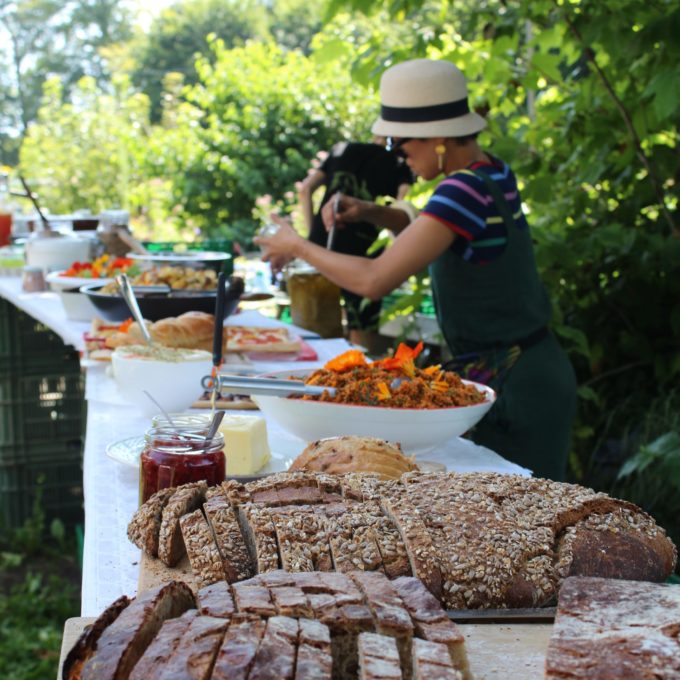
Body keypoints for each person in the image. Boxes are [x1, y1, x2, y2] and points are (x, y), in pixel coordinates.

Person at [256, 59, 577, 481]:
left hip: (520, 386)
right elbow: (434, 229)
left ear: (437, 138)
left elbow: (375, 280)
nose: (399, 156)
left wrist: (297, 244)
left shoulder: (460, 189)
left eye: (399, 144)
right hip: (530, 371)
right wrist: (371, 212)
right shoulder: (489, 173)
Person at [296, 139, 413, 343]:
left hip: (320, 249)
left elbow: (305, 190)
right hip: (363, 256)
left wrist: (314, 232)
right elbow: (401, 213)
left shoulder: (342, 149)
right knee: (362, 331)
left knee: (316, 328)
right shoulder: (403, 160)